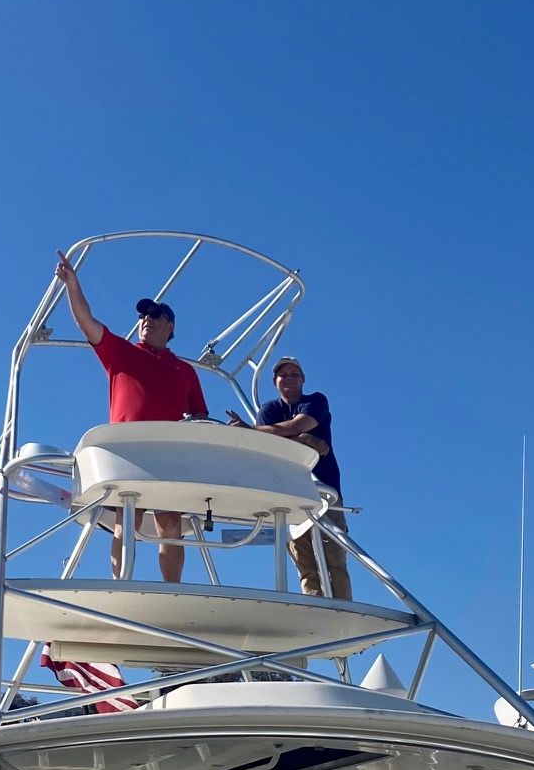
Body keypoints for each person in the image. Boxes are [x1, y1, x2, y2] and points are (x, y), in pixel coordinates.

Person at [55, 250, 206, 583]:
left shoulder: (185, 371)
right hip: (128, 451)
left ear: (171, 326)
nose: (147, 319)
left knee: (171, 521)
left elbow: (199, 420)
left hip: (169, 454)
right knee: (128, 517)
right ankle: (120, 585)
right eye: (143, 315)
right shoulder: (121, 353)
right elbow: (87, 322)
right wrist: (72, 285)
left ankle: (172, 591)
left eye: (156, 314)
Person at [230, 356, 352, 599]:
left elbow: (297, 425)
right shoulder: (269, 410)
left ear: (303, 379)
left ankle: (342, 608)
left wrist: (252, 430)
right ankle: (315, 610)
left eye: (294, 374)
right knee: (305, 562)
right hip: (287, 492)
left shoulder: (316, 400)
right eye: (283, 375)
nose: (289, 378)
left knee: (334, 558)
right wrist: (307, 441)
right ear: (275, 381)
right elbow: (266, 445)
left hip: (325, 491)